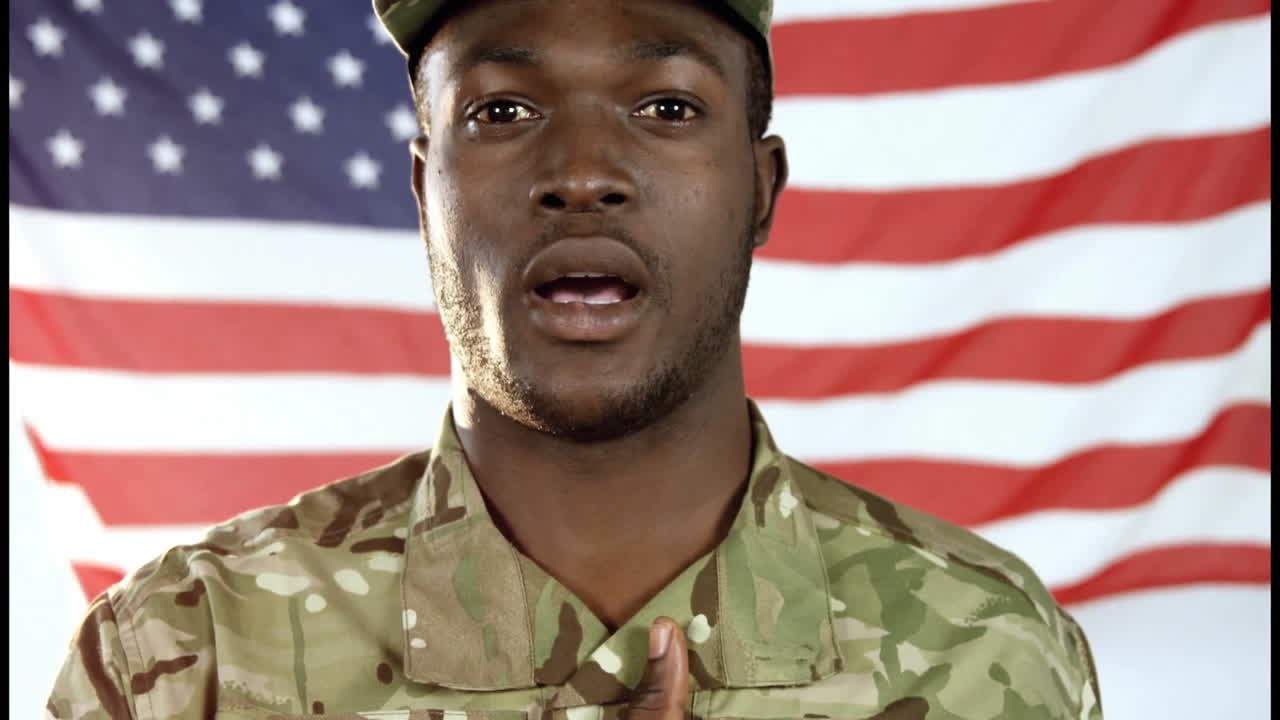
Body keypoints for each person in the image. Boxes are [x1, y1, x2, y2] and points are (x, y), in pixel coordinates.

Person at [47, 1, 1103, 718]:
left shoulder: (987, 649)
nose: (584, 170)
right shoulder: (186, 658)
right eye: (503, 110)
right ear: (426, 196)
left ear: (761, 190)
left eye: (665, 109)